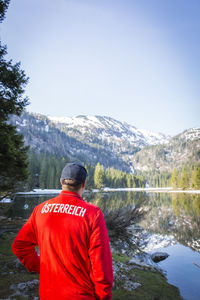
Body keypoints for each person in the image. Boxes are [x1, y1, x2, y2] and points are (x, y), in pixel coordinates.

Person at [12, 162, 113, 299]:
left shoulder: (40, 210)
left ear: (61, 182)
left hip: (48, 295)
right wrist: (103, 296)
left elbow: (20, 246)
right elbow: (101, 265)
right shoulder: (92, 214)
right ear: (83, 184)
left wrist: (40, 266)